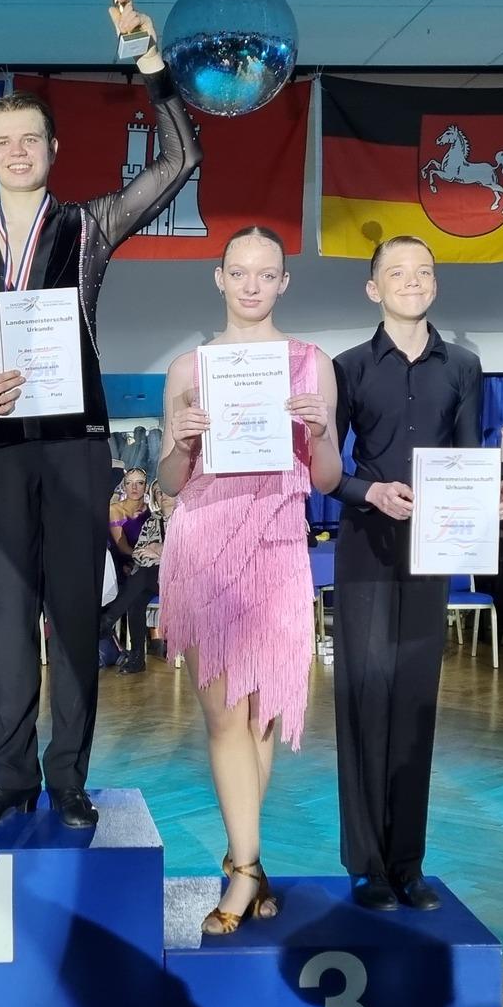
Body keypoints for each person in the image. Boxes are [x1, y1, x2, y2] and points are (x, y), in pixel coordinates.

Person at [0, 0, 204, 831]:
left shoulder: (89, 227)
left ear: (53, 150)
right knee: (2, 619)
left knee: (70, 613)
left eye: (30, 139)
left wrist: (150, 62)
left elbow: (179, 162)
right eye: (2, 142)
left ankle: (65, 778)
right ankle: (7, 777)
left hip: (75, 443)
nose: (17, 151)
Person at [157, 226, 341, 932]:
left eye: (266, 273)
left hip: (277, 542)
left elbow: (327, 477)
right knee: (224, 716)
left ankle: (244, 863)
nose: (252, 285)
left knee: (261, 714)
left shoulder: (312, 364)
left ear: (283, 282)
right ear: (219, 277)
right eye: (239, 272)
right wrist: (181, 443)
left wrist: (318, 433)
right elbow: (171, 481)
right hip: (204, 540)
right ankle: (244, 872)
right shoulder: (188, 368)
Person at [331, 236, 503, 912]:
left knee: (415, 702)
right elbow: (327, 470)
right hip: (366, 546)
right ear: (373, 289)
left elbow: (466, 457)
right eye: (397, 272)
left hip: (434, 548)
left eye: (424, 271)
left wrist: (497, 492)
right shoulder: (347, 367)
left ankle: (407, 864)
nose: (412, 281)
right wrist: (369, 493)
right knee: (363, 697)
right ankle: (366, 866)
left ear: (434, 284)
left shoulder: (463, 366)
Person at [103, 485, 172, 674]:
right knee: (136, 598)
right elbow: (139, 553)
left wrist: (158, 551)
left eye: (166, 491)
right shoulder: (151, 522)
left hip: (179, 579)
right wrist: (158, 552)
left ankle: (108, 619)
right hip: (152, 578)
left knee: (141, 576)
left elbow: (185, 554)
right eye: (159, 492)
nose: (163, 495)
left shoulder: (186, 519)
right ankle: (137, 658)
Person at [101, 467, 153, 665]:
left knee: (138, 590)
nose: (134, 487)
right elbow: (121, 546)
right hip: (122, 562)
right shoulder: (115, 510)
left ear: (146, 487)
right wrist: (139, 558)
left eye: (139, 483)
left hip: (146, 566)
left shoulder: (151, 512)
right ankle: (134, 652)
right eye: (130, 483)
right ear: (124, 486)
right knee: (135, 583)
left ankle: (108, 622)